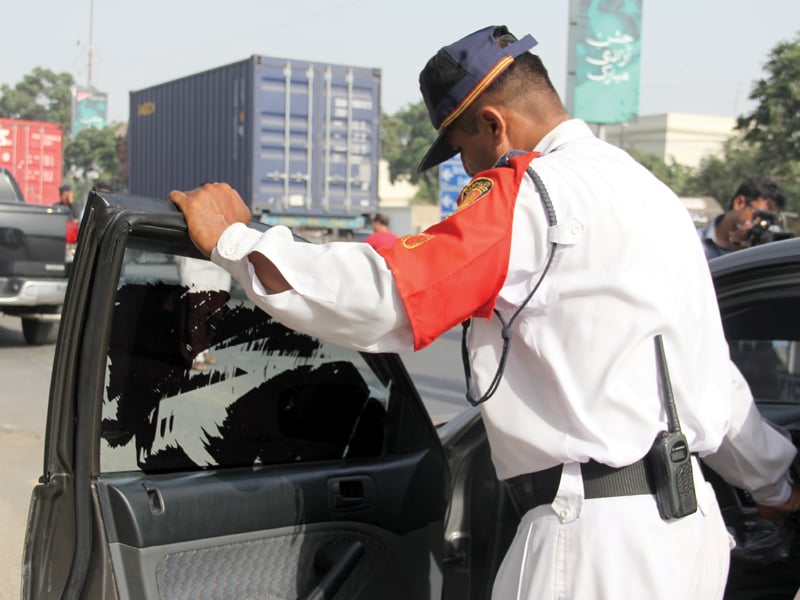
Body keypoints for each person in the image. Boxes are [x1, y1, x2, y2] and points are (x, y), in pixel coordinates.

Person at [170, 25, 799, 599]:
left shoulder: (530, 193)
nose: (467, 170)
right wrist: (776, 486)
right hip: (689, 541)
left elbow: (386, 294)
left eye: (461, 149)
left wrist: (235, 242)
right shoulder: (654, 198)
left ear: (494, 126)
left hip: (591, 547)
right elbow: (714, 384)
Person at [698, 175, 788, 260]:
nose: (762, 224)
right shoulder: (695, 242)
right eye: (760, 216)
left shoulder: (769, 244)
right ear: (739, 203)